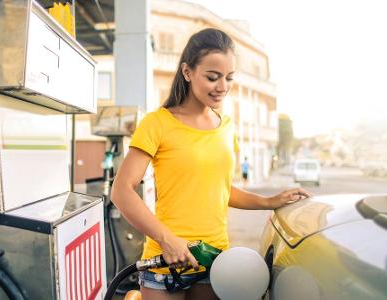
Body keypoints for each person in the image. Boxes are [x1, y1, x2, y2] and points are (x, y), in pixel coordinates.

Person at [111, 28, 311, 300]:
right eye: (212, 77)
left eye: (229, 78)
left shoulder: (226, 127)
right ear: (187, 72)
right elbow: (122, 190)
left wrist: (269, 201)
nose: (222, 87)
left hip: (215, 260)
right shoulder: (158, 123)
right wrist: (167, 240)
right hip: (166, 262)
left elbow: (220, 189)